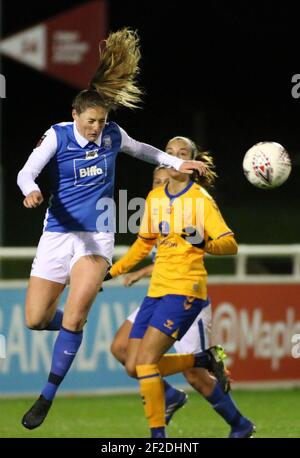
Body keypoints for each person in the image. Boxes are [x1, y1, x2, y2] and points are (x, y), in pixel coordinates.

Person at [17, 29, 207, 430]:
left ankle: (46, 397)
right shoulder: (58, 135)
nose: (96, 129)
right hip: (57, 234)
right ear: (75, 115)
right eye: (90, 121)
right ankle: (76, 321)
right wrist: (31, 191)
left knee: (75, 314)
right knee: (35, 319)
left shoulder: (113, 136)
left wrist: (178, 164)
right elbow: (25, 173)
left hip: (96, 238)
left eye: (101, 122)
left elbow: (145, 151)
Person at [106, 136, 255, 438]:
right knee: (134, 365)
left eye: (182, 153)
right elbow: (142, 244)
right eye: (169, 153)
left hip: (186, 290)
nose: (174, 157)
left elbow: (230, 244)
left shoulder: (200, 200)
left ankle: (160, 438)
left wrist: (203, 242)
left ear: (192, 164)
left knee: (162, 367)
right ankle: (202, 361)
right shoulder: (155, 199)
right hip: (157, 292)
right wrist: (111, 272)